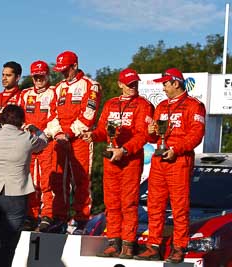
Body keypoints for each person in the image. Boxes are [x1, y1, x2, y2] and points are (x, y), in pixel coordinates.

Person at [134, 68, 205, 263]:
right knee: (154, 204)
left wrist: (177, 148)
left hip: (179, 161)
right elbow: (154, 136)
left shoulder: (194, 105)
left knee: (179, 207)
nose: (163, 87)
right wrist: (151, 132)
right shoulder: (162, 106)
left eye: (165, 83)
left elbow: (196, 135)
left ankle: (179, 247)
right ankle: (153, 246)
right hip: (159, 161)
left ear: (175, 83)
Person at [82, 68, 154, 258]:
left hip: (129, 160)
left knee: (128, 203)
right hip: (110, 159)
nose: (133, 87)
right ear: (120, 84)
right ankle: (114, 241)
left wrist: (124, 150)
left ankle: (129, 244)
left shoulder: (143, 105)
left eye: (135, 83)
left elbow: (143, 134)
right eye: (129, 84)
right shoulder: (111, 103)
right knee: (111, 203)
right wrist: (92, 135)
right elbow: (102, 131)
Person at [0, 105, 48, 267]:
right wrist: (35, 129)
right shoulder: (27, 138)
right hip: (16, 193)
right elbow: (44, 141)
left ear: (2, 119)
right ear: (22, 121)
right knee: (8, 245)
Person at [51, 51, 102, 233]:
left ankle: (81, 220)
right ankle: (59, 218)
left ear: (75, 66)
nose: (63, 73)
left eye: (65, 70)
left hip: (80, 139)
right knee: (59, 181)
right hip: (61, 139)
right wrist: (57, 132)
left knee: (81, 181)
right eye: (60, 70)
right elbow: (52, 114)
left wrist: (69, 133)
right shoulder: (58, 88)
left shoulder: (91, 86)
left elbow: (88, 115)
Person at [19, 60, 63, 232]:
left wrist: (44, 134)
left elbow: (56, 117)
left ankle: (47, 215)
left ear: (47, 75)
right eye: (35, 76)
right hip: (28, 144)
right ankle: (30, 215)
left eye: (41, 76)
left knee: (47, 181)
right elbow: (19, 116)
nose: (38, 79)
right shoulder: (25, 94)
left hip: (47, 142)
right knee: (28, 180)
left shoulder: (54, 92)